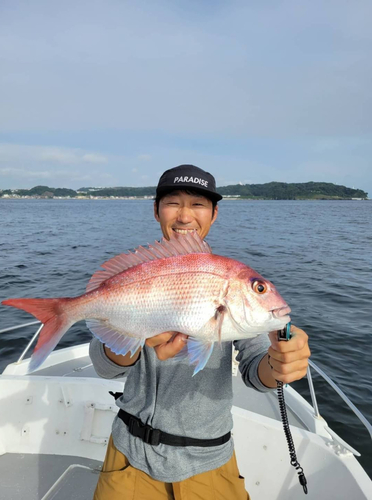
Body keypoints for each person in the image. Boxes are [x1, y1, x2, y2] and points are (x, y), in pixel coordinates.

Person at [90, 164, 311, 500]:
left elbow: (255, 371)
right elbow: (107, 366)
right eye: (173, 202)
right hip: (128, 454)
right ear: (156, 210)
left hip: (209, 460)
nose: (184, 216)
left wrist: (278, 365)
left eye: (197, 204)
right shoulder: (138, 274)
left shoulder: (228, 278)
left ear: (214, 214)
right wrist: (136, 340)